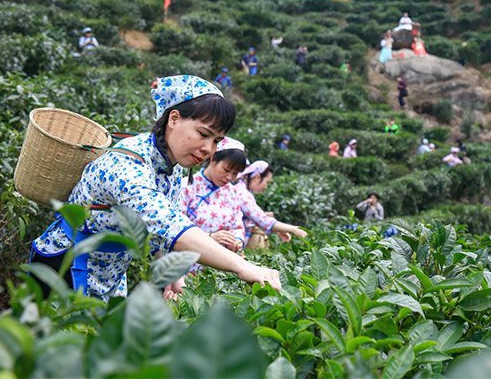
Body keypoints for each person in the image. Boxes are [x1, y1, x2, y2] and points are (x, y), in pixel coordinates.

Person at [30, 75, 280, 302]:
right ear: (174, 119)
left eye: (216, 141)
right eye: (203, 134)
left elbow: (160, 235)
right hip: (65, 265)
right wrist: (242, 266)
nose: (209, 149)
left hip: (110, 273)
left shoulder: (173, 165)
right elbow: (168, 224)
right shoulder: (128, 163)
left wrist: (175, 278)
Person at [179, 137, 247, 269]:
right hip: (188, 267)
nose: (230, 177)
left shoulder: (231, 192)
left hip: (221, 268)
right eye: (226, 170)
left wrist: (237, 241)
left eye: (235, 173)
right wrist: (210, 237)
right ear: (213, 160)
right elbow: (174, 230)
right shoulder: (186, 187)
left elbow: (238, 227)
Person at [234, 161, 308, 248]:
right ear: (257, 177)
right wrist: (294, 229)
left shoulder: (244, 191)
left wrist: (278, 230)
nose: (266, 186)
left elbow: (253, 218)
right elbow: (262, 220)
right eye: (267, 182)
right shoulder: (242, 194)